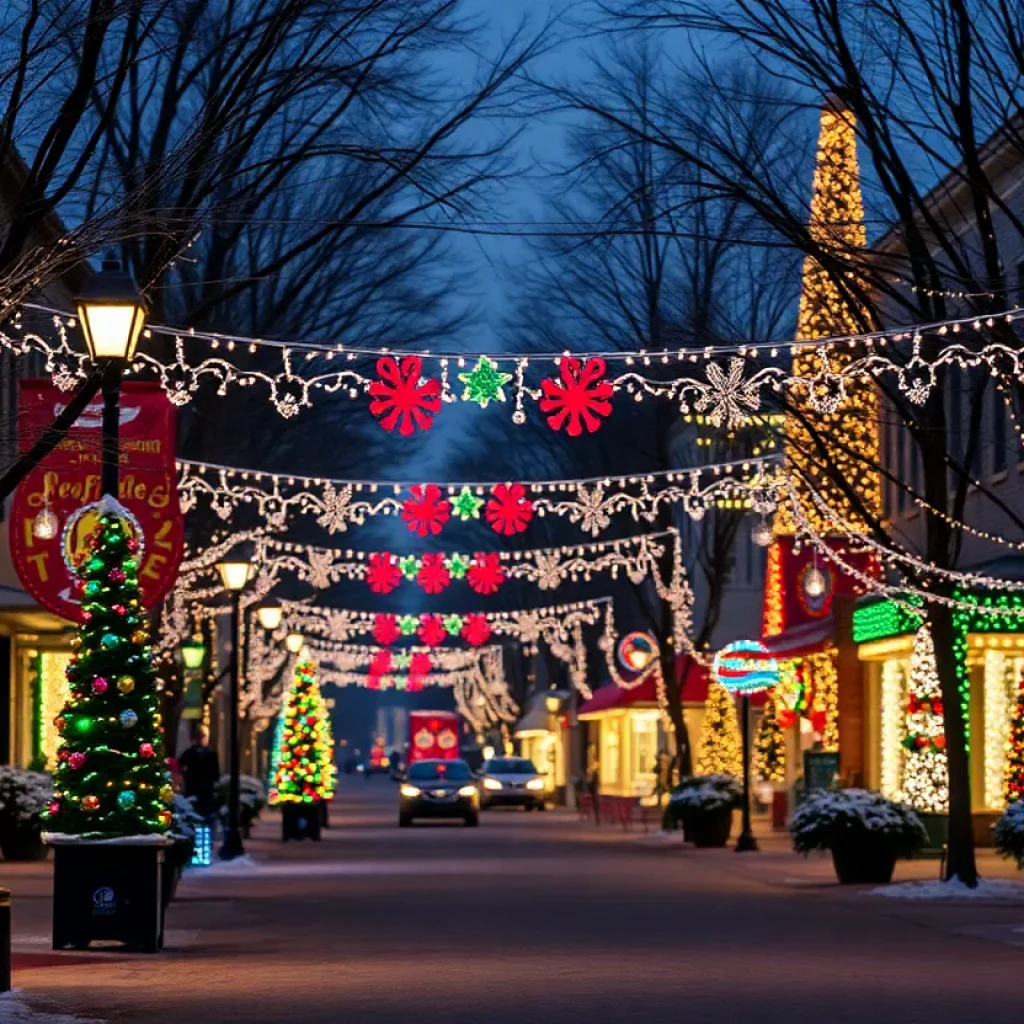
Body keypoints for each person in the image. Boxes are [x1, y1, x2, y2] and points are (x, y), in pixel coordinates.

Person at [178, 726, 221, 819]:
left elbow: (180, 764)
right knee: (204, 813)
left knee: (194, 811)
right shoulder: (210, 753)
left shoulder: (190, 752)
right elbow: (216, 773)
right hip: (205, 789)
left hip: (194, 787)